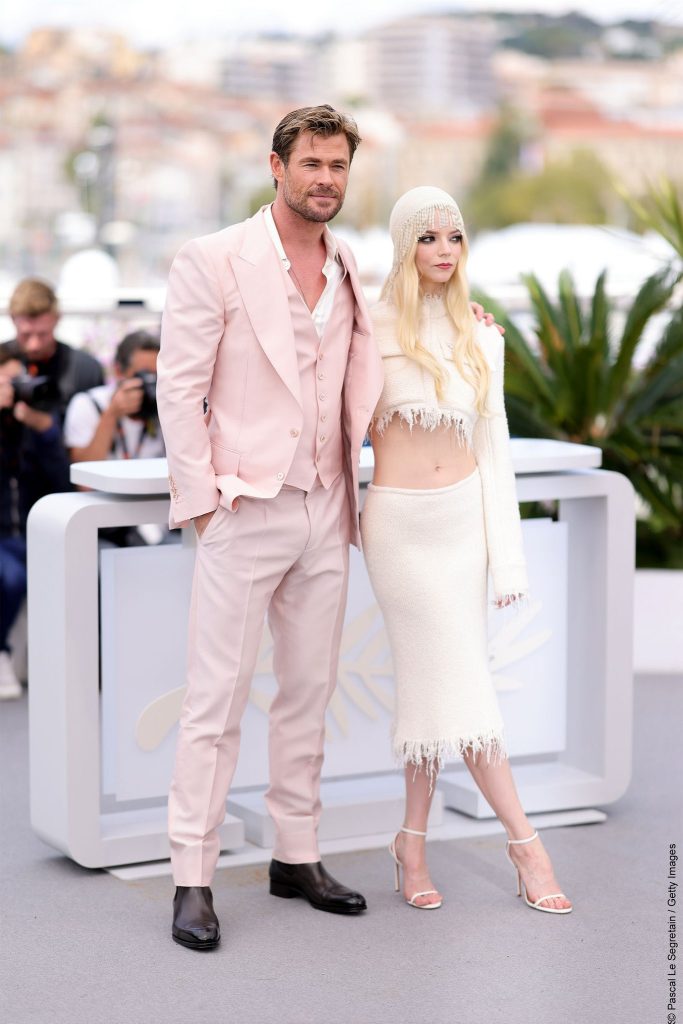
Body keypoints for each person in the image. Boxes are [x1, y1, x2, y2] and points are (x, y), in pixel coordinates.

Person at [157, 104, 384, 950]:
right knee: (214, 702)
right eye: (311, 163)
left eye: (338, 166)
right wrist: (206, 504)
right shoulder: (212, 258)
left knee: (307, 694)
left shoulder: (351, 263)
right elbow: (178, 390)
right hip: (243, 508)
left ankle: (296, 854)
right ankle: (193, 876)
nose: (325, 178)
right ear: (276, 166)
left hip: (328, 507)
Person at [361, 186, 572, 915]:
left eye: (453, 237)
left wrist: (506, 560)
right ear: (403, 245)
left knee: (435, 690)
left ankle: (410, 843)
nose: (442, 251)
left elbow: (495, 453)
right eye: (426, 237)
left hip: (462, 532)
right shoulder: (369, 323)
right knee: (461, 687)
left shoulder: (483, 336)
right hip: (396, 529)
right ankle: (526, 847)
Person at [0, 350, 71, 698]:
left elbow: (62, 482)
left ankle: (64, 660)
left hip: (31, 533)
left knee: (73, 567)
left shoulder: (33, 424)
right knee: (12, 577)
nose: (16, 391)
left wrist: (44, 430)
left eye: (20, 380)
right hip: (3, 539)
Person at [1, 278, 104, 420]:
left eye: (43, 334)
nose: (34, 345)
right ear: (13, 319)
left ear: (57, 319)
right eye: (26, 335)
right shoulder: (2, 360)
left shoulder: (85, 369)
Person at [64, 329, 164, 464]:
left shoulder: (164, 407)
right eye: (144, 375)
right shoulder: (88, 404)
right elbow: (84, 483)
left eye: (157, 376)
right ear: (118, 371)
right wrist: (111, 414)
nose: (151, 384)